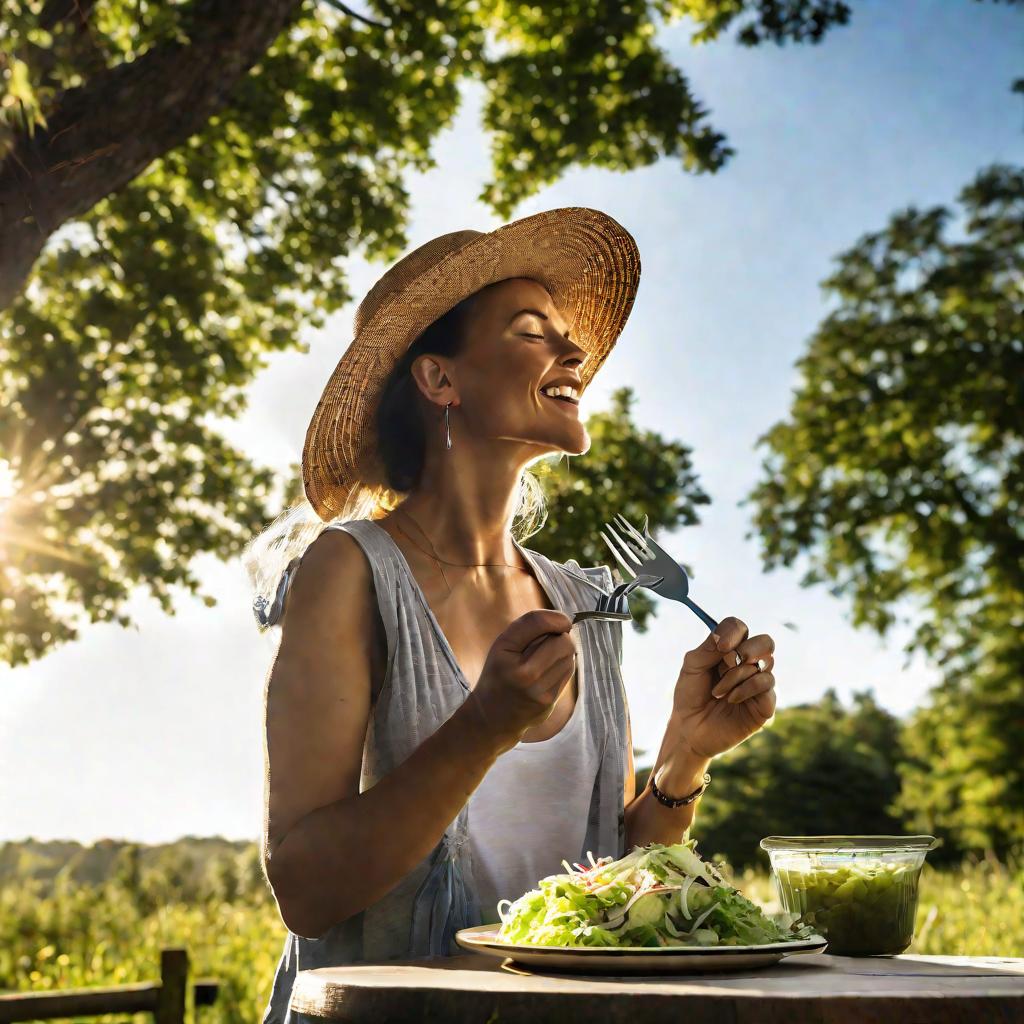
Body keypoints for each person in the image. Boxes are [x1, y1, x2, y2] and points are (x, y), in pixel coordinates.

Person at [244, 208, 777, 1023]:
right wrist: (482, 726)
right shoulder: (349, 570)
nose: (575, 354)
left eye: (570, 337)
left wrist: (684, 758)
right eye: (533, 333)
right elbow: (306, 891)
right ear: (440, 381)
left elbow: (610, 889)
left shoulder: (583, 599)